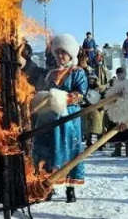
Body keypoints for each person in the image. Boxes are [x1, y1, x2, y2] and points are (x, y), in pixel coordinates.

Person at [31, 34, 88, 203]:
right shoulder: (50, 74)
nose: (60, 56)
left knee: (67, 150)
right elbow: (44, 90)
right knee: (45, 149)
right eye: (57, 53)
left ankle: (70, 188)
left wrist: (62, 98)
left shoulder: (77, 72)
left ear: (71, 54)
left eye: (63, 53)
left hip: (67, 118)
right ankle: (47, 186)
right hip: (48, 118)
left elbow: (80, 94)